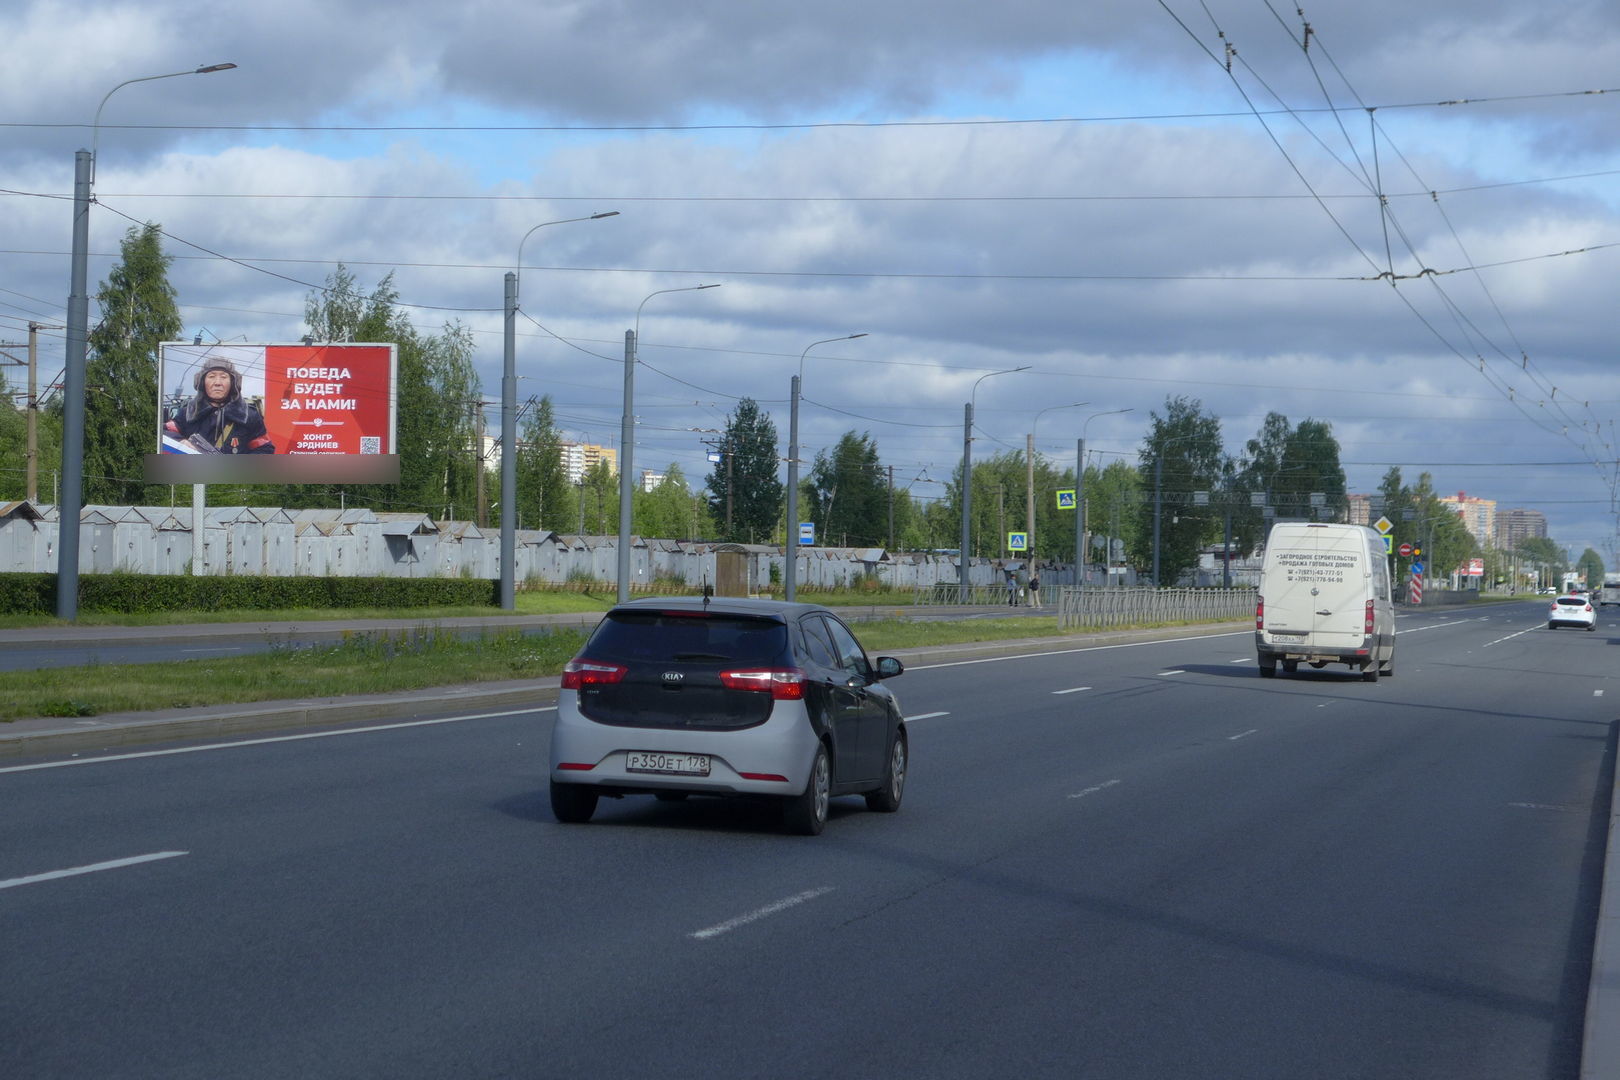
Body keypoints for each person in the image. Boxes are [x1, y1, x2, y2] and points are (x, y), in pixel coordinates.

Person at [165, 357, 274, 454]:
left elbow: (264, 449)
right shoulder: (188, 413)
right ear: (202, 382)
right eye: (211, 376)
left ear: (233, 383)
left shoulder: (248, 416)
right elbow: (164, 432)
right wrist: (181, 442)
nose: (217, 382)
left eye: (223, 377)